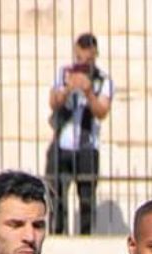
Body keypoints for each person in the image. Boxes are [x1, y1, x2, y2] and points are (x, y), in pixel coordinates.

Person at [46, 32, 113, 235]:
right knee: (55, 196)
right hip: (61, 145)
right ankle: (57, 235)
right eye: (79, 58)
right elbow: (53, 102)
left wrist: (88, 92)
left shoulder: (103, 80)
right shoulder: (63, 74)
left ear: (95, 56)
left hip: (87, 147)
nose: (82, 63)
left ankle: (85, 237)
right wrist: (68, 89)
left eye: (87, 60)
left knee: (86, 200)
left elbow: (102, 112)